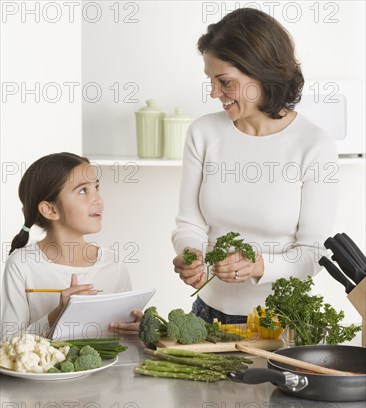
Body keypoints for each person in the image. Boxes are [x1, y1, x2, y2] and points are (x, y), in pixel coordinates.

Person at [172, 7, 339, 324]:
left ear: (262, 73)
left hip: (282, 322)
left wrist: (259, 266)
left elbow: (314, 253)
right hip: (208, 316)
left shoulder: (313, 145)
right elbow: (189, 225)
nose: (214, 93)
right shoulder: (203, 133)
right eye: (210, 80)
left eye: (225, 82)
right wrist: (190, 254)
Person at [1, 152, 141, 341]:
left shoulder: (113, 263)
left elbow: (127, 337)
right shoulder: (21, 264)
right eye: (83, 190)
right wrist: (57, 314)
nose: (98, 199)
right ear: (50, 210)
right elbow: (8, 345)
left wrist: (137, 329)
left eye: (96, 187)